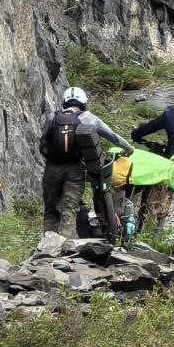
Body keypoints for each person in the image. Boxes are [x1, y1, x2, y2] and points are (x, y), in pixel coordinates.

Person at [39, 87, 134, 237]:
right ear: (83, 102)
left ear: (64, 102)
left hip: (52, 169)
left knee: (50, 210)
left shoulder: (53, 117)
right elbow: (112, 136)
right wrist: (128, 149)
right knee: (69, 208)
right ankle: (66, 244)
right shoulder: (89, 117)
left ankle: (48, 244)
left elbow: (43, 143)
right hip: (75, 170)